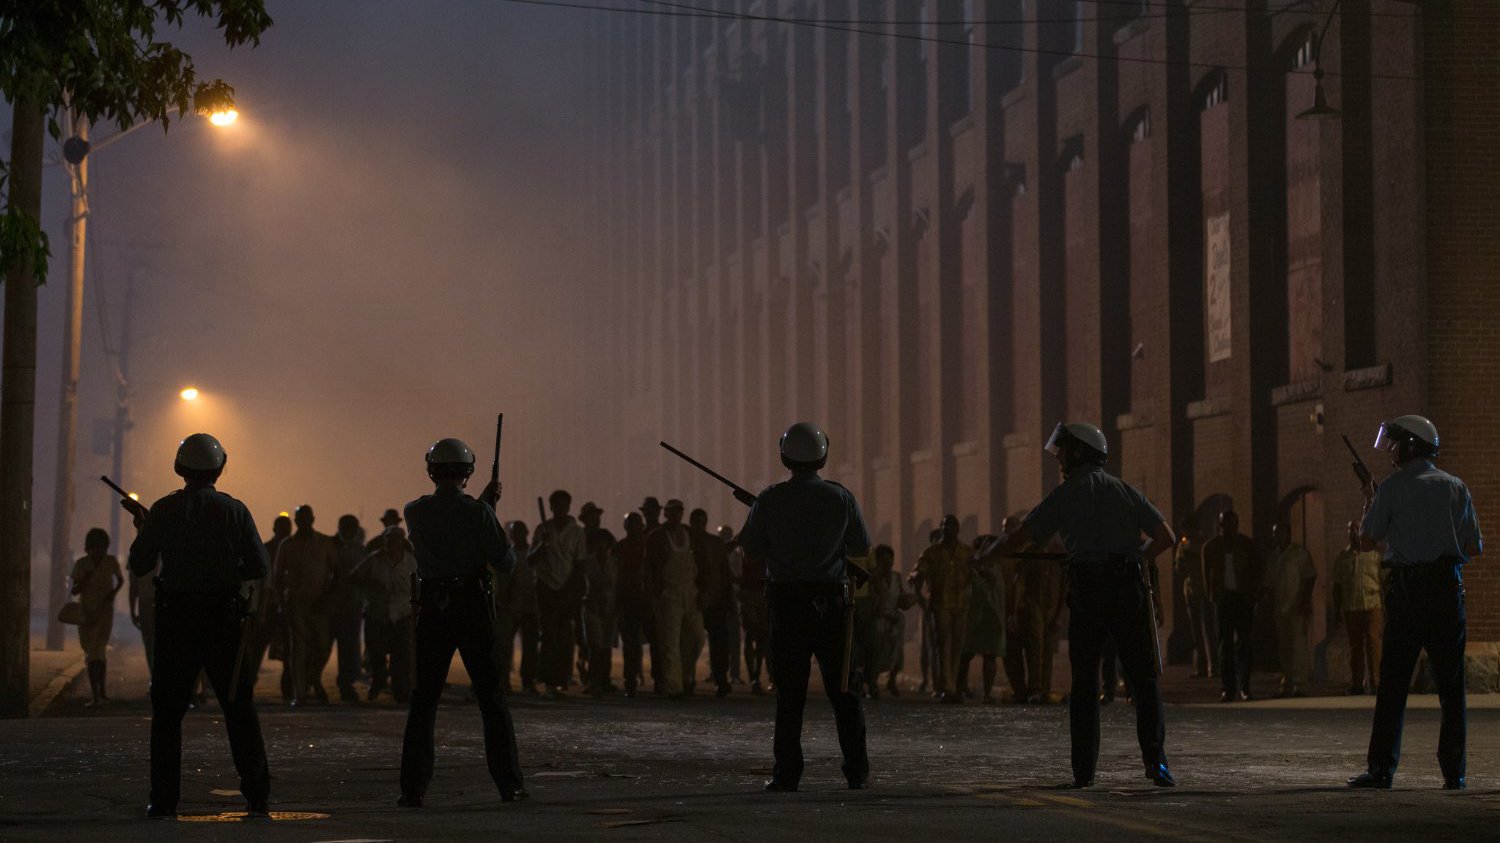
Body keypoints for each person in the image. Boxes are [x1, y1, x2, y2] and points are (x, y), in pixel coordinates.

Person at [978, 422, 1175, 788]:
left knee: (1085, 682)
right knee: (1143, 679)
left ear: (1080, 452)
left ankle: (1084, 771)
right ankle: (1156, 762)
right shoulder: (1126, 491)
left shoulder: (1066, 495)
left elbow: (1021, 537)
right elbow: (1166, 537)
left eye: (1064, 451)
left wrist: (986, 556)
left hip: (1088, 591)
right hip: (1127, 588)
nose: (1060, 459)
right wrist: (1136, 558)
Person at [123, 433, 271, 817]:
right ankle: (257, 794)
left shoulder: (164, 510)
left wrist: (146, 529)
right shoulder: (236, 511)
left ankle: (164, 800)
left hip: (177, 619)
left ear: (180, 467)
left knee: (167, 715)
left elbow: (140, 564)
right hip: (224, 619)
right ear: (220, 468)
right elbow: (258, 566)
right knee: (239, 709)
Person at [1349, 415, 1482, 791]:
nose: (1391, 449)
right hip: (1446, 589)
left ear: (1410, 445)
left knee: (1393, 684)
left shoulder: (1392, 488)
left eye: (1395, 443)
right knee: (1451, 687)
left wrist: (1371, 501)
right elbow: (1473, 546)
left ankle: (1381, 769)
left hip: (1406, 592)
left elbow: (1367, 539)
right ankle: (1454, 772)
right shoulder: (1456, 486)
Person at [739, 423, 871, 792]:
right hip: (832, 606)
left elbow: (751, 548)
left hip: (788, 605)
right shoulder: (841, 497)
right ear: (823, 456)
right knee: (844, 691)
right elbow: (860, 544)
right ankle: (857, 771)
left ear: (784, 457)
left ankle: (787, 775)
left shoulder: (770, 499)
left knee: (790, 694)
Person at [399, 437, 525, 806]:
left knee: (424, 701)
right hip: (471, 605)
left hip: (433, 607)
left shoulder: (414, 511)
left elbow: (448, 518)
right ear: (468, 471)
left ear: (431, 470)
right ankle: (509, 785)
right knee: (491, 699)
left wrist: (482, 506)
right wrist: (488, 511)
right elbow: (505, 561)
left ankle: (413, 788)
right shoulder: (478, 513)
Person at [274, 505, 338, 705]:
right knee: (298, 649)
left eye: (306, 518)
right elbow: (278, 575)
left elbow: (336, 572)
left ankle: (313, 678)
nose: (303, 522)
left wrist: (328, 598)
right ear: (296, 521)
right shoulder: (287, 544)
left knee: (323, 646)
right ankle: (300, 693)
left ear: (312, 519)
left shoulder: (325, 543)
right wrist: (282, 602)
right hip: (296, 603)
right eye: (300, 519)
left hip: (320, 603)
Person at [530, 489, 588, 698]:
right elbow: (530, 560)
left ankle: (562, 679)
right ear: (551, 507)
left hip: (567, 590)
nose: (560, 510)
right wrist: (542, 545)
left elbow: (579, 565)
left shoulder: (577, 532)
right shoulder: (543, 530)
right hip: (546, 588)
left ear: (568, 507)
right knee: (549, 636)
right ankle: (548, 682)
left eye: (564, 506)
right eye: (557, 506)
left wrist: (570, 591)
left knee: (564, 637)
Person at [645, 499, 706, 698]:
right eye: (671, 512)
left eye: (678, 512)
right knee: (670, 642)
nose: (675, 515)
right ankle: (674, 686)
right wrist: (654, 596)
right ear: (666, 513)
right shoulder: (657, 537)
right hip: (669, 593)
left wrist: (703, 591)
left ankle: (685, 675)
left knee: (697, 637)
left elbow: (701, 562)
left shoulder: (690, 534)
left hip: (691, 591)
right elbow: (650, 568)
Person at [1003, 518, 1067, 704]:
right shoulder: (1030, 552)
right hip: (1033, 604)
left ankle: (1044, 688)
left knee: (1048, 647)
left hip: (1052, 605)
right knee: (1035, 646)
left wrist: (1060, 613)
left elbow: (1064, 585)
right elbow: (1020, 582)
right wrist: (1016, 610)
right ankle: (1035, 687)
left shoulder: (1058, 553)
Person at [1201, 509, 1261, 702]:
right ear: (1220, 526)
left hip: (1243, 598)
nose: (1229, 529)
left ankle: (1245, 687)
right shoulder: (1211, 547)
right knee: (1225, 645)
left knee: (1244, 643)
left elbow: (1255, 570)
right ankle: (1227, 688)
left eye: (1232, 525)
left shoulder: (1246, 545)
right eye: (1225, 525)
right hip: (1223, 599)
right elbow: (1206, 575)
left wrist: (1253, 595)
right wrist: (1214, 596)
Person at [911, 515, 971, 703]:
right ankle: (946, 687)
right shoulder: (932, 552)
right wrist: (919, 594)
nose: (948, 529)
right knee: (943, 644)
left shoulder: (966, 552)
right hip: (940, 603)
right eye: (945, 525)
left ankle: (953, 684)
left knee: (957, 645)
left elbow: (975, 573)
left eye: (952, 525)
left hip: (960, 603)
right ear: (941, 528)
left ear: (958, 529)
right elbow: (918, 572)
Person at [356, 526, 416, 703]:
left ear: (402, 541)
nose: (392, 542)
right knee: (376, 653)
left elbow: (420, 585)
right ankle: (378, 680)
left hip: (403, 614)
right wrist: (370, 585)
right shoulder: (374, 559)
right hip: (377, 613)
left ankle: (400, 690)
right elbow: (355, 577)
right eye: (389, 538)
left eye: (396, 538)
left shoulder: (411, 562)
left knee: (401, 655)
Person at [71, 528, 124, 707]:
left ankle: (98, 694)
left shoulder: (110, 562)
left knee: (97, 651)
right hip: (86, 614)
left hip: (104, 613)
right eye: (96, 548)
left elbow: (120, 580)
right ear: (90, 548)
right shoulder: (82, 564)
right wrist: (85, 580)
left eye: (102, 547)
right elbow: (74, 590)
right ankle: (99, 693)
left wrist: (112, 594)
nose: (99, 551)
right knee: (93, 652)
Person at [1332, 519, 1385, 695]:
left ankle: (1376, 682)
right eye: (1351, 530)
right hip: (1351, 607)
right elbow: (1337, 586)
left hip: (1372, 605)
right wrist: (1336, 610)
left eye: (1357, 529)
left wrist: (1387, 605)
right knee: (1355, 646)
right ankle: (1357, 684)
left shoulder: (1374, 556)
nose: (1354, 533)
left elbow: (1385, 581)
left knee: (1373, 642)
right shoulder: (1343, 558)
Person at [244, 514, 291, 699]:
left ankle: (288, 686)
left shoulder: (272, 549)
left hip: (281, 606)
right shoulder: (266, 550)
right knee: (258, 648)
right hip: (271, 606)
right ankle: (249, 683)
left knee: (287, 649)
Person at [691, 508, 736, 697]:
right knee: (696, 642)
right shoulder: (690, 542)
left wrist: (729, 599)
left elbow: (725, 573)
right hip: (696, 600)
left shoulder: (712, 543)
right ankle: (694, 678)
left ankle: (720, 679)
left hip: (713, 600)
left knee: (718, 644)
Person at [1268, 523, 1316, 698]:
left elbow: (1310, 576)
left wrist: (1305, 600)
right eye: (1275, 533)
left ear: (1288, 534)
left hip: (1297, 608)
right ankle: (1287, 682)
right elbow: (1269, 583)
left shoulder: (1299, 553)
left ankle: (1300, 684)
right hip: (1281, 608)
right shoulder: (1274, 557)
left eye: (1280, 532)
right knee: (1284, 648)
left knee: (1298, 647)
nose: (1277, 536)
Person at [957, 535, 1005, 704]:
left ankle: (987, 693)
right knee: (965, 655)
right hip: (973, 615)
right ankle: (959, 689)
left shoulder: (998, 567)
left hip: (993, 616)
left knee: (990, 656)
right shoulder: (970, 567)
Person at [579, 502, 618, 699]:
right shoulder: (581, 541)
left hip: (609, 605)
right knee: (593, 645)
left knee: (605, 645)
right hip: (591, 603)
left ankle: (602, 679)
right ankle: (593, 679)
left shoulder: (613, 561)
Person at [497, 520, 541, 694]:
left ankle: (528, 681)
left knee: (530, 648)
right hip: (512, 607)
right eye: (515, 533)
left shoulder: (535, 554)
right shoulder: (508, 556)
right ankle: (504, 681)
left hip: (531, 606)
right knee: (506, 647)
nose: (517, 536)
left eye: (520, 532)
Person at [330, 514, 367, 702]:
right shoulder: (329, 546)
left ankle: (346, 685)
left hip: (352, 605)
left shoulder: (361, 550)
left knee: (349, 649)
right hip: (331, 605)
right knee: (322, 647)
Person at [612, 513, 650, 697]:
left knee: (650, 641)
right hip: (628, 599)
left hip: (646, 598)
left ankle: (653, 679)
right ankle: (630, 681)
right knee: (631, 643)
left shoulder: (647, 547)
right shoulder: (621, 548)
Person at [1173, 516, 1214, 679]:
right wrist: (1182, 561)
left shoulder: (1205, 543)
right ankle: (1200, 667)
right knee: (1196, 631)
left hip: (1206, 590)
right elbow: (1179, 569)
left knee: (1208, 629)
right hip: (1190, 591)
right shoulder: (1182, 546)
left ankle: (1213, 666)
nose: (1185, 533)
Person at [734, 523, 772, 696]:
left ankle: (755, 677)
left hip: (758, 594)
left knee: (758, 637)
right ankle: (755, 677)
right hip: (753, 594)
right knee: (755, 636)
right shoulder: (755, 546)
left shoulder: (751, 545)